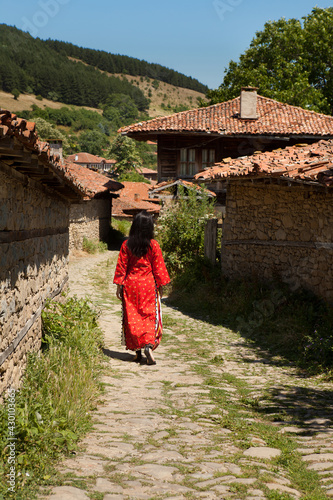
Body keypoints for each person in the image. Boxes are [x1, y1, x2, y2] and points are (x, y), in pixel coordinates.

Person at [113, 211, 170, 365]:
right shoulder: (153, 245)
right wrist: (161, 285)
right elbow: (158, 268)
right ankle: (148, 346)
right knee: (148, 316)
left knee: (133, 317)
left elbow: (121, 267)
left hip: (131, 285)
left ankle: (137, 353)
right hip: (148, 285)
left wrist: (119, 286)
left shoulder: (126, 245)